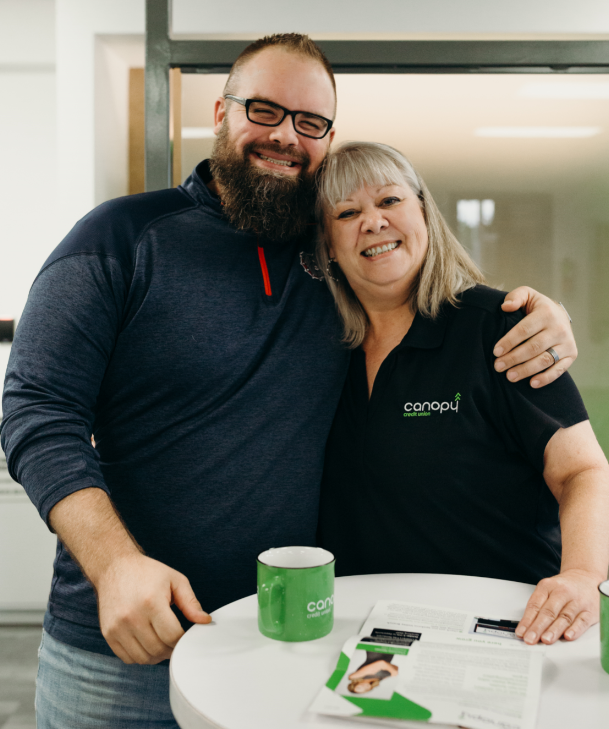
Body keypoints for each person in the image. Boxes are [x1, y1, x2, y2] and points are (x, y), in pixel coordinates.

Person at [0, 34, 577, 728]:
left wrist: (534, 312)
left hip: (286, 642)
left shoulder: (334, 254)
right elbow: (36, 410)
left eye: (310, 122)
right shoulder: (123, 237)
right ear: (220, 110)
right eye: (263, 109)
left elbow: (418, 275)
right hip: (121, 651)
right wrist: (116, 563)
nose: (284, 136)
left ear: (327, 137)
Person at [315, 141, 609, 648]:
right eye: (347, 212)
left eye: (390, 201)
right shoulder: (315, 348)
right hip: (369, 633)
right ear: (327, 243)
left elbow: (582, 470)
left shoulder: (501, 329)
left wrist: (583, 575)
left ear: (424, 214)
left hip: (508, 626)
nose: (373, 221)